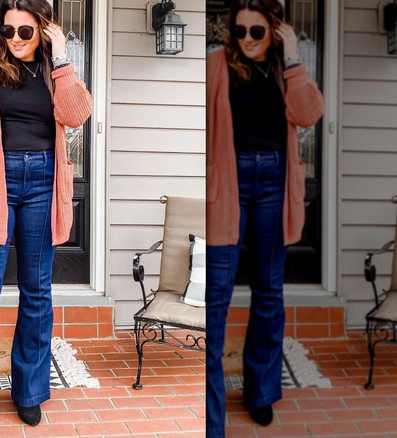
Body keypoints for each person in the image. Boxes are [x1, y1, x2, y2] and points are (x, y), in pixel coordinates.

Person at [0, 0, 92, 436]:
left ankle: (28, 392)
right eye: (7, 31)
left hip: (44, 183)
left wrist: (62, 58)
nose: (14, 40)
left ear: (43, 30)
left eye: (24, 32)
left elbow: (77, 114)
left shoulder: (53, 68)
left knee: (37, 292)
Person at [205, 0, 324, 436]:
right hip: (229, 183)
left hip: (274, 180)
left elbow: (308, 114)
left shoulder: (284, 69)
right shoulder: (217, 66)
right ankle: (211, 414)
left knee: (269, 291)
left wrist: (292, 58)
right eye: (240, 31)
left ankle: (260, 392)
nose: (248, 40)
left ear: (273, 32)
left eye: (257, 32)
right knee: (216, 298)